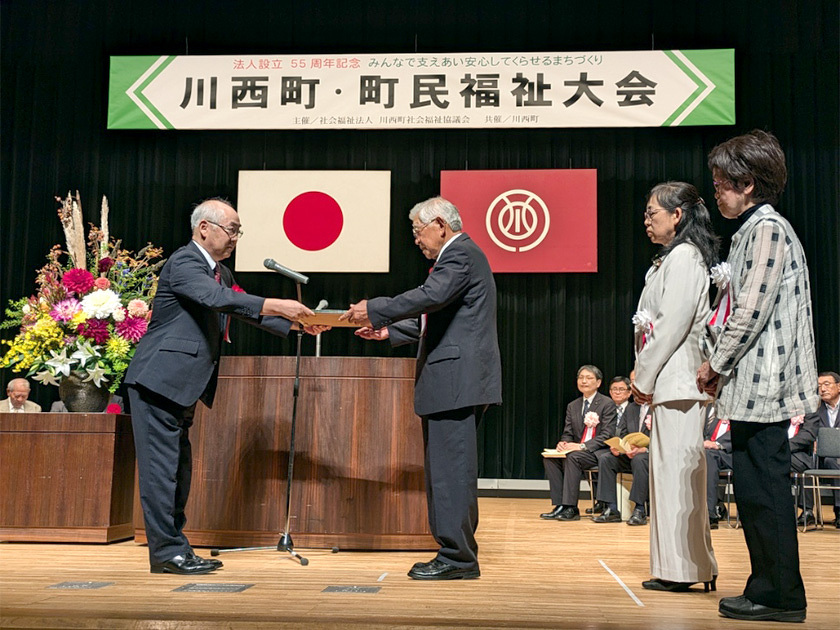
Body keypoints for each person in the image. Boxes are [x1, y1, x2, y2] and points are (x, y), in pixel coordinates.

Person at [125, 198, 324, 576]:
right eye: (231, 229)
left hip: (179, 387)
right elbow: (218, 300)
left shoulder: (219, 272)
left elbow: (240, 308)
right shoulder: (184, 263)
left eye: (238, 231)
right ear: (204, 228)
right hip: (158, 381)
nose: (236, 238)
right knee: (161, 473)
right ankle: (167, 554)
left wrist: (298, 325)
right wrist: (279, 305)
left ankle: (177, 548)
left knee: (177, 472)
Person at [341, 196, 501, 581]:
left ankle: (458, 558)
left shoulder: (458, 254)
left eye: (418, 230)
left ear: (441, 225)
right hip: (456, 380)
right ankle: (456, 551)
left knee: (450, 472)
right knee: (448, 470)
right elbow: (437, 317)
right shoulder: (459, 257)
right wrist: (389, 331)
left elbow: (429, 298)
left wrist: (374, 307)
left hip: (455, 380)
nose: (415, 239)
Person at [697, 130, 817, 623]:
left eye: (722, 183)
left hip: (764, 385)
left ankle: (780, 594)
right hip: (752, 387)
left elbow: (748, 310)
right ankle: (767, 586)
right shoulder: (751, 231)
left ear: (748, 183)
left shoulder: (767, 229)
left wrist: (716, 363)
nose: (716, 191)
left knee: (763, 492)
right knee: (753, 491)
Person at [632, 181, 719, 593]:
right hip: (670, 384)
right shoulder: (670, 259)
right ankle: (687, 565)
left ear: (677, 215)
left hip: (678, 383)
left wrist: (641, 378)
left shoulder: (685, 256)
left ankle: (685, 569)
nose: (646, 220)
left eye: (652, 212)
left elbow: (670, 328)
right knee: (670, 479)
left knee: (678, 481)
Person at [540, 365, 617, 522]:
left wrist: (582, 446)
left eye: (589, 378)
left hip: (598, 451)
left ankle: (571, 507)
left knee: (573, 457)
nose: (584, 381)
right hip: (577, 450)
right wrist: (564, 443)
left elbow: (607, 434)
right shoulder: (573, 405)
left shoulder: (607, 403)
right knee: (550, 458)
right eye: (581, 378)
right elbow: (568, 432)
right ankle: (560, 504)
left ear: (598, 382)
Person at [593, 372, 650, 526]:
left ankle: (639, 509)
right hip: (630, 454)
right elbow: (624, 433)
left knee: (640, 459)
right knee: (606, 458)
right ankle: (611, 508)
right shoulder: (631, 408)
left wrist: (645, 450)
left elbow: (668, 438)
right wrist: (619, 447)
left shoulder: (660, 408)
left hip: (652, 456)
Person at [815, 372, 840, 527]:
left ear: (838, 386)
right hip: (819, 456)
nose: (822, 389)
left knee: (833, 461)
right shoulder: (815, 409)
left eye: (826, 384)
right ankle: (807, 512)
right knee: (807, 463)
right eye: (819, 386)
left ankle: (839, 510)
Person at [702, 405, 732, 529]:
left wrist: (718, 444)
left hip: (730, 453)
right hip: (710, 453)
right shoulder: (712, 410)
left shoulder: (739, 408)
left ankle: (711, 512)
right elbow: (705, 433)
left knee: (709, 456)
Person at [788, 412, 820, 527]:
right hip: (775, 453)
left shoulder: (811, 414)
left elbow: (808, 435)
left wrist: (784, 446)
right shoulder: (781, 411)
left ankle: (807, 511)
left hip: (799, 455)